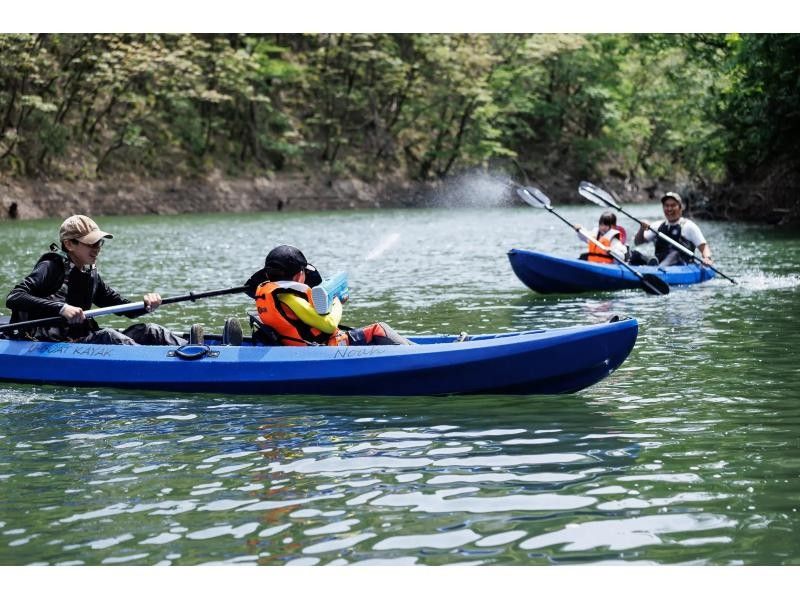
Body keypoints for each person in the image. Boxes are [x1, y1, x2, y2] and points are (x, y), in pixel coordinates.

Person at [5, 215, 186, 345]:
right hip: (48, 342)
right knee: (109, 336)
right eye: (91, 243)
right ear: (69, 244)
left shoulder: (90, 274)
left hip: (81, 338)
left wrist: (147, 305)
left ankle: (195, 353)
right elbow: (14, 297)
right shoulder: (51, 267)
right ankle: (158, 366)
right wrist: (61, 308)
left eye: (99, 243)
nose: (97, 248)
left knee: (152, 331)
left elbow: (122, 307)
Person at [252, 244, 412, 346]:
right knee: (379, 329)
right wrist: (336, 302)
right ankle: (416, 355)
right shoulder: (290, 298)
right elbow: (328, 325)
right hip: (323, 348)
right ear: (298, 275)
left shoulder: (269, 294)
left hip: (296, 346)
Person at [630, 192, 713, 267]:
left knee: (675, 254)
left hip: (681, 265)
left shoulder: (689, 226)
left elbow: (704, 247)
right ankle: (653, 266)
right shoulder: (657, 226)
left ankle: (658, 268)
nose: (669, 209)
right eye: (666, 206)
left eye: (673, 205)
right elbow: (638, 242)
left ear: (680, 208)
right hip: (659, 263)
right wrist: (641, 230)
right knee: (635, 255)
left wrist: (707, 258)